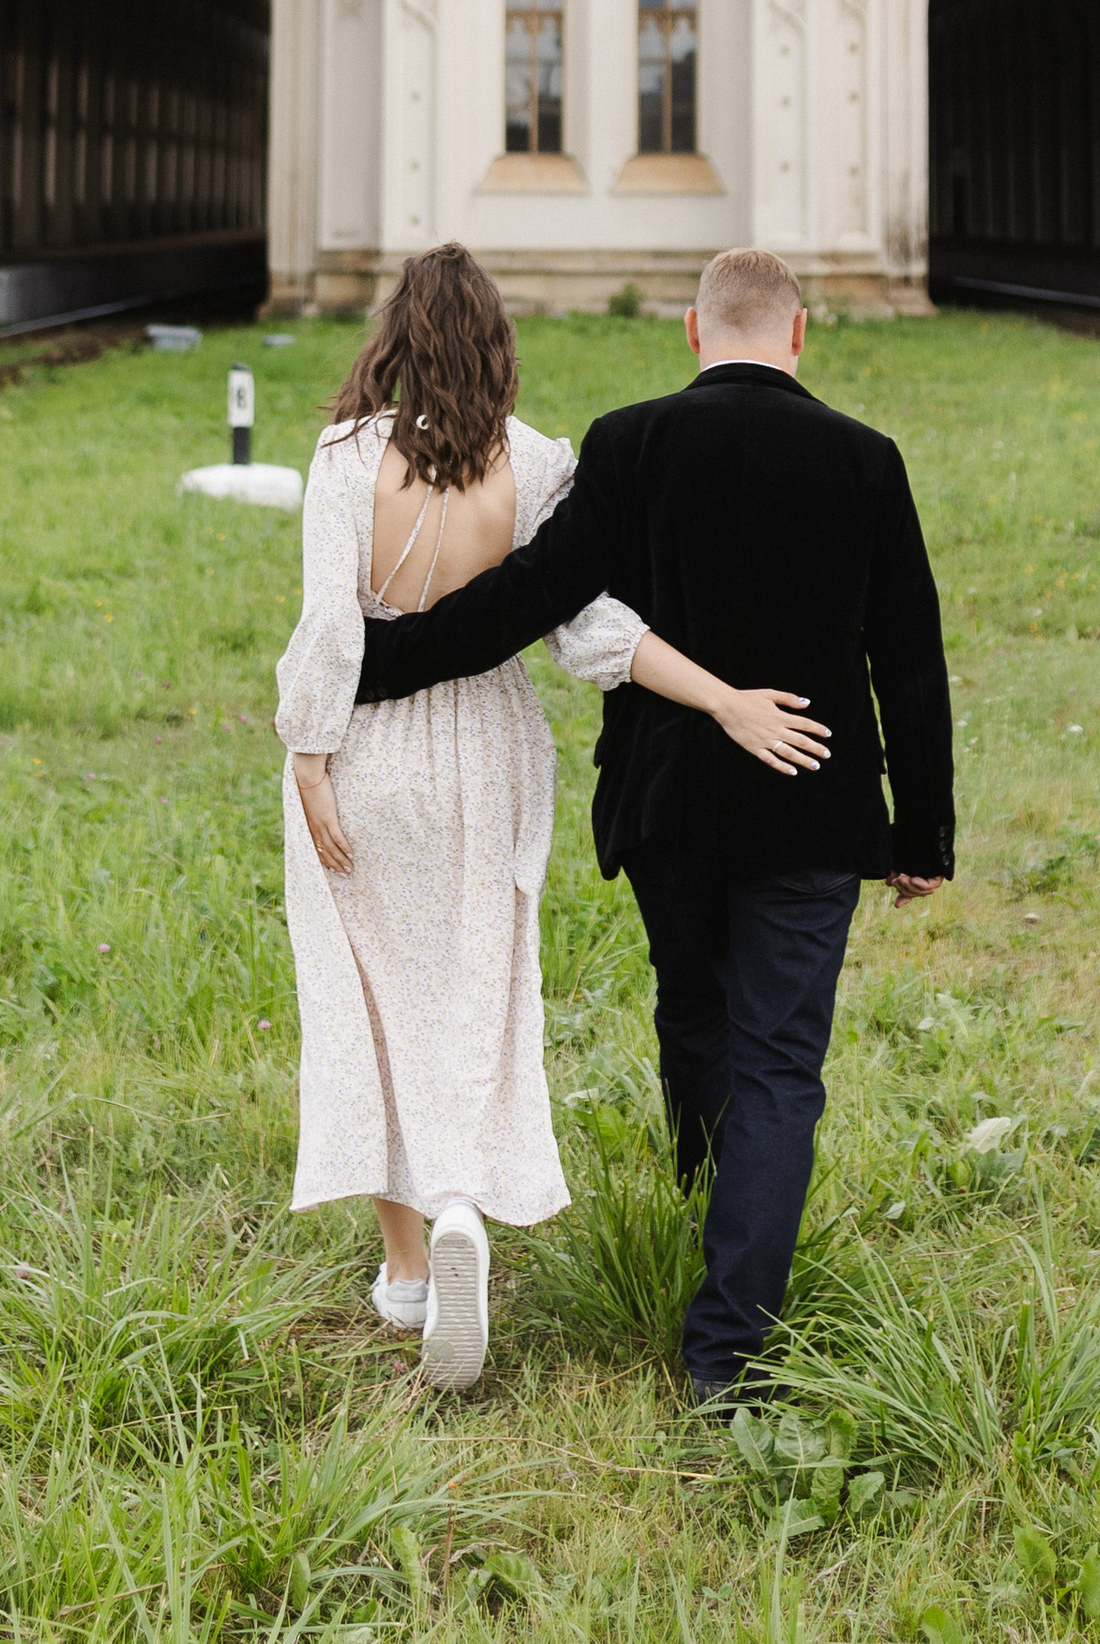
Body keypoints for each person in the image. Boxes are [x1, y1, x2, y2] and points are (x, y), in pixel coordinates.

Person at [348, 244, 954, 1405]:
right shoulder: (865, 461)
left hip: (668, 804)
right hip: (813, 803)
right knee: (780, 1065)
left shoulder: (629, 443)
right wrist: (917, 833)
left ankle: (706, 1208)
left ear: (689, 330)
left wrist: (378, 663)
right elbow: (908, 658)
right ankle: (726, 1347)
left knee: (694, 1014)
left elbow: (533, 597)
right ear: (800, 333)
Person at [273, 241, 829, 1394]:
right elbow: (592, 635)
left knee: (372, 992)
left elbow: (333, 622)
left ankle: (409, 1268)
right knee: (479, 985)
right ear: (498, 344)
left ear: (390, 335)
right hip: (491, 751)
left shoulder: (345, 457)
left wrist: (310, 756)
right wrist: (723, 698)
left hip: (368, 745)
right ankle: (467, 1195)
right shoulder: (536, 466)